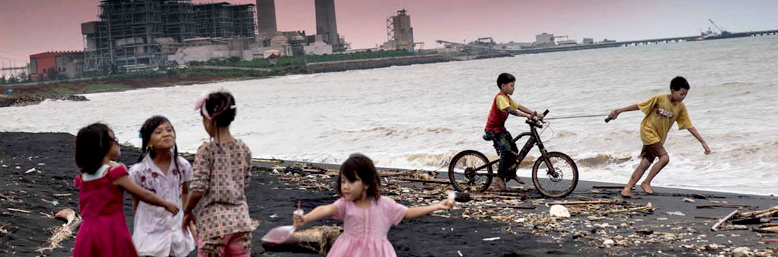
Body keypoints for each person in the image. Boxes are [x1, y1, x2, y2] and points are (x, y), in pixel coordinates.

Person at [293, 153, 454, 257]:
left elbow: (408, 212)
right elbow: (326, 209)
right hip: (348, 251)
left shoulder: (384, 204)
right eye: (343, 181)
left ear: (367, 183)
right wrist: (305, 218)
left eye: (352, 181)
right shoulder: (346, 204)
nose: (346, 186)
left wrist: (437, 206)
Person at [73, 123, 179, 257]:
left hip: (87, 233)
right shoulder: (114, 174)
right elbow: (143, 194)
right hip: (111, 231)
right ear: (103, 146)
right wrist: (165, 203)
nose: (118, 144)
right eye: (114, 140)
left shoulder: (83, 177)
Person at [608, 76, 711, 198]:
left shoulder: (681, 107)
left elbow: (689, 125)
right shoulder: (659, 99)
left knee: (645, 163)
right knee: (664, 158)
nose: (683, 97)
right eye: (681, 94)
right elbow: (640, 106)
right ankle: (646, 182)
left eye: (685, 95)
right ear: (673, 91)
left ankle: (627, 189)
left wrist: (702, 142)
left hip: (658, 137)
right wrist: (619, 110)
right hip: (648, 131)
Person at [182, 91, 255, 257]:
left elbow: (198, 189)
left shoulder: (207, 150)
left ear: (209, 119)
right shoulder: (243, 148)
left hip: (213, 225)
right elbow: (244, 184)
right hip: (242, 223)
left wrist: (187, 211)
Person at [129, 116, 195, 257]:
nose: (166, 134)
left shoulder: (182, 165)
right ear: (148, 141)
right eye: (158, 132)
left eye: (169, 130)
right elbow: (136, 202)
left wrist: (188, 216)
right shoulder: (138, 171)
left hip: (176, 233)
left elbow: (184, 192)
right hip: (150, 235)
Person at [484, 72, 540, 190]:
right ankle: (499, 177)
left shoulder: (508, 98)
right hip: (492, 130)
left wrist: (534, 114)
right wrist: (527, 116)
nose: (513, 88)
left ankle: (511, 172)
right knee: (506, 151)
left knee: (515, 150)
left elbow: (519, 106)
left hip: (500, 129)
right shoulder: (500, 98)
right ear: (503, 86)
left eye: (513, 85)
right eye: (511, 85)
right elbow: (512, 111)